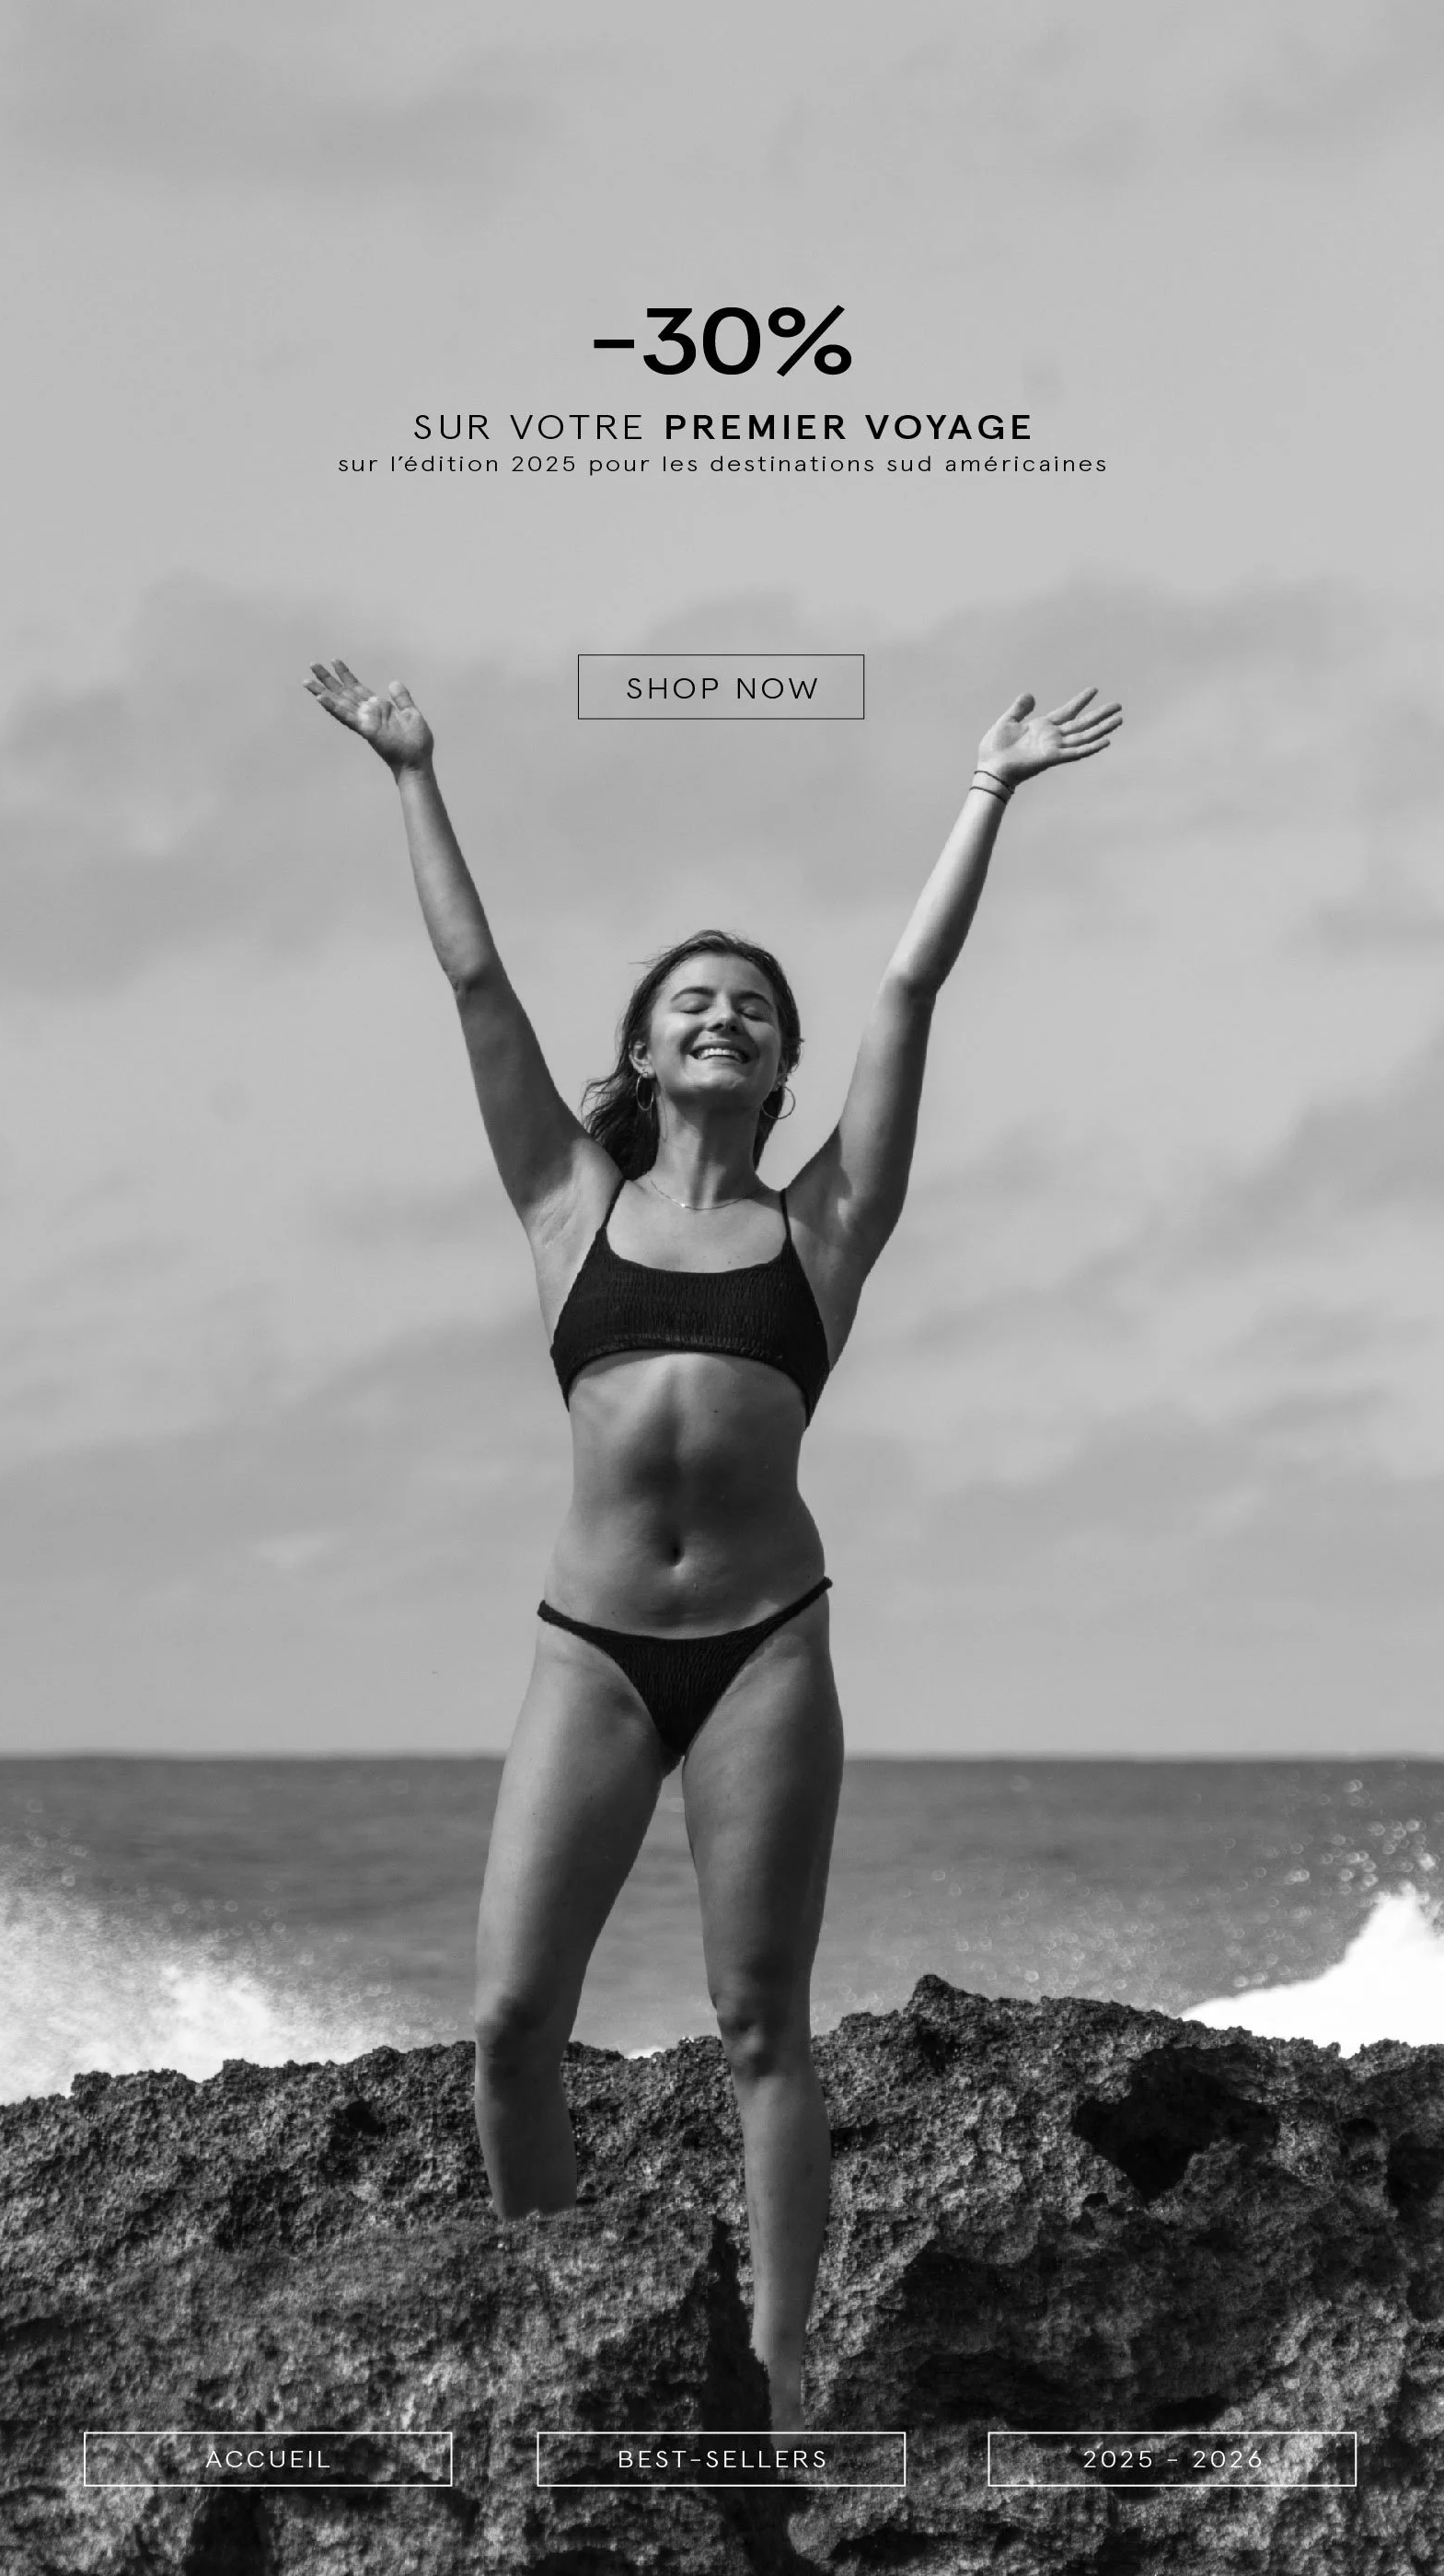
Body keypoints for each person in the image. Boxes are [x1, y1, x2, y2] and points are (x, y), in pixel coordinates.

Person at [305, 656, 1122, 2426]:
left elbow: (909, 983)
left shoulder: (825, 1221)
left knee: (764, 2022)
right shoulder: (562, 1206)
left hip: (762, 1647)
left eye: (752, 1003)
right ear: (646, 1047)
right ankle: (554, 2323)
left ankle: (769, 2381)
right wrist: (410, 772)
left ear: (776, 1059)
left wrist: (986, 789)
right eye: (693, 998)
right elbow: (472, 979)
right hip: (589, 1649)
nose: (725, 1015)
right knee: (514, 2022)